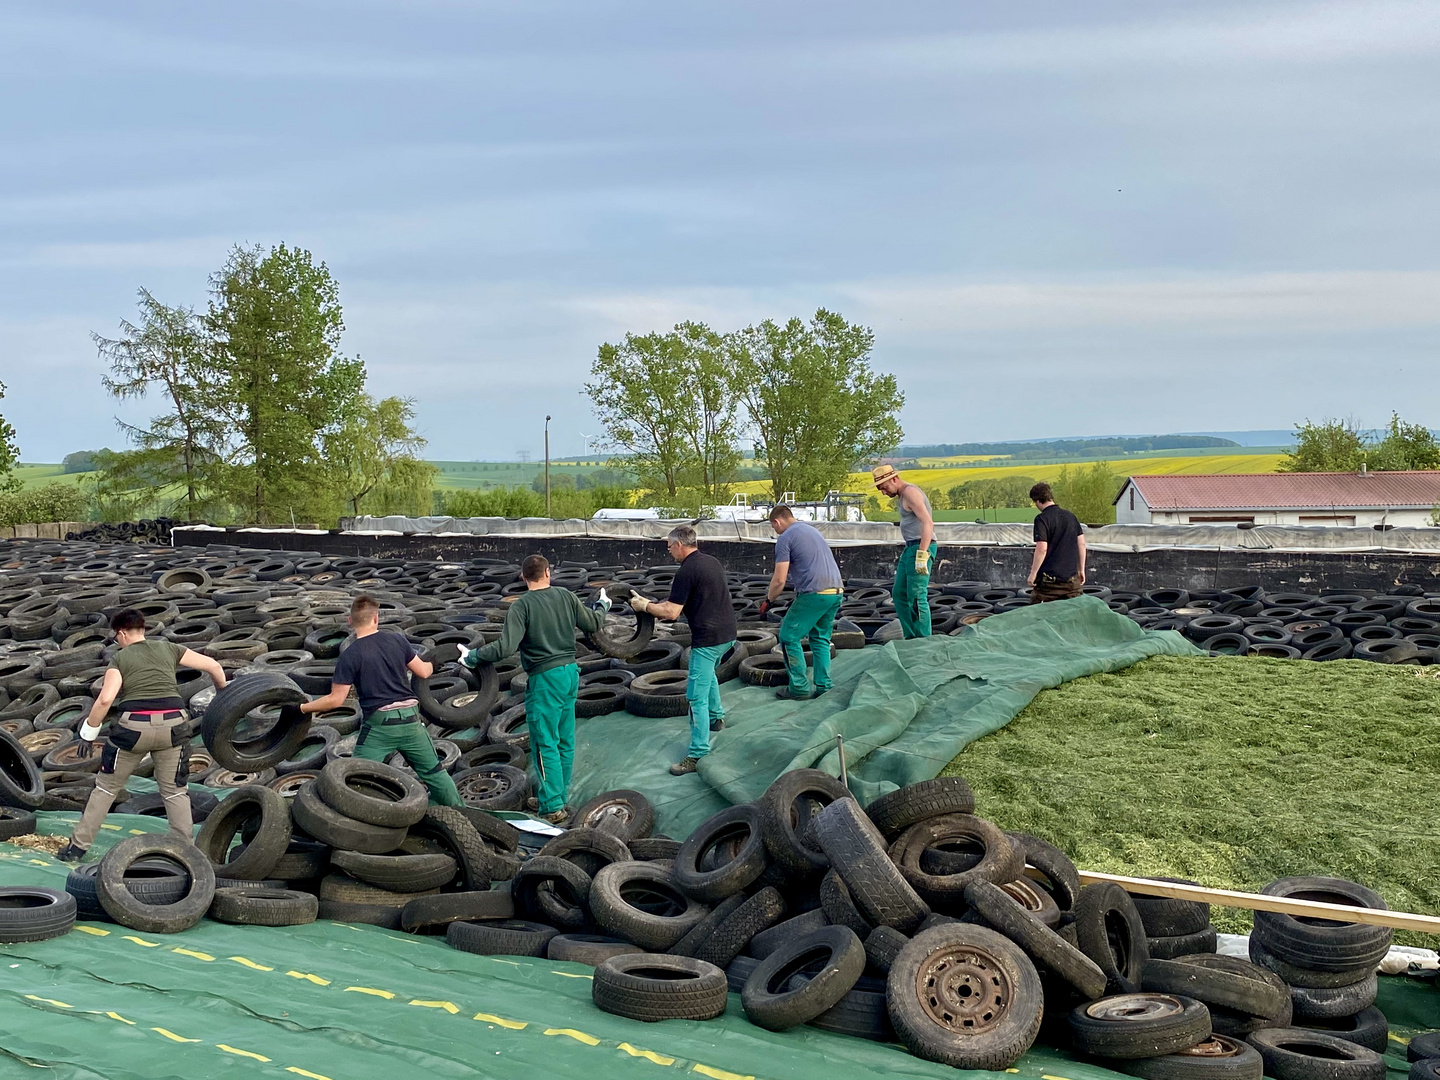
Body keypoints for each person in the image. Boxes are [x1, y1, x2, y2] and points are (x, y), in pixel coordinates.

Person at [57, 608, 229, 863]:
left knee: (105, 789)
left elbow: (105, 699)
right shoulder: (169, 648)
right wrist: (223, 695)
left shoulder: (120, 659)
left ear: (122, 633)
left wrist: (89, 733)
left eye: (117, 639)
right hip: (175, 727)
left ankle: (76, 849)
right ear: (142, 629)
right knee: (175, 791)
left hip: (133, 730)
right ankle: (187, 854)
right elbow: (214, 665)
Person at [460, 555, 609, 824]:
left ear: (522, 577)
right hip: (570, 674)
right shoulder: (566, 596)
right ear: (548, 573)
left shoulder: (522, 606)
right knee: (564, 739)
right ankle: (555, 797)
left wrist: (472, 657)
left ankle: (552, 806)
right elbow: (594, 623)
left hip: (545, 679)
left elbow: (505, 648)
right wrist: (602, 605)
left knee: (544, 743)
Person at [294, 594, 464, 808]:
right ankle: (464, 815)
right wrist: (439, 659)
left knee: (356, 779)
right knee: (436, 774)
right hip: (411, 720)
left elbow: (335, 701)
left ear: (350, 621)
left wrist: (302, 707)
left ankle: (358, 827)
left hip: (380, 727)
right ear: (376, 618)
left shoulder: (349, 655)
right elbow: (424, 671)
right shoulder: (397, 640)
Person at [630, 525, 738, 776]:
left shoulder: (686, 571)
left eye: (669, 547)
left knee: (695, 697)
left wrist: (644, 605)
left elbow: (671, 612)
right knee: (707, 673)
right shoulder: (711, 562)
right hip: (729, 635)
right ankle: (717, 718)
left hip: (708, 639)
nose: (669, 552)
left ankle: (697, 754)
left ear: (679, 545)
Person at [763, 506, 844, 700]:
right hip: (836, 591)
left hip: (814, 593)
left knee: (788, 636)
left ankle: (798, 688)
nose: (775, 531)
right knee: (820, 639)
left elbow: (779, 579)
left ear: (777, 522)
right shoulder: (811, 530)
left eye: (773, 527)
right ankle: (824, 686)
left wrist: (768, 600)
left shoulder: (785, 538)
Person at [872, 464, 937, 638]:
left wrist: (922, 555)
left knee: (916, 595)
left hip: (920, 546)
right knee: (900, 594)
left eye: (884, 488)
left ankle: (923, 640)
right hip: (910, 547)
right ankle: (911, 636)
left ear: (894, 479)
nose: (884, 493)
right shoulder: (902, 496)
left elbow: (928, 523)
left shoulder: (910, 493)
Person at [1027, 482, 1087, 603]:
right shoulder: (1070, 516)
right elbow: (1081, 544)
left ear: (1038, 501)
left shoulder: (1042, 519)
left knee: (1039, 615)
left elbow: (1042, 548)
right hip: (1071, 582)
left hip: (1049, 585)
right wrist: (1081, 570)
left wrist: (1033, 574)